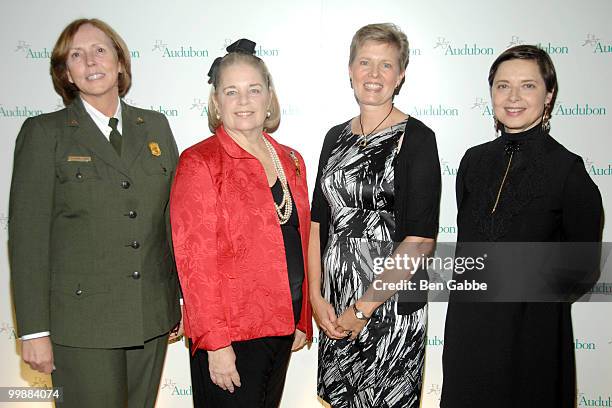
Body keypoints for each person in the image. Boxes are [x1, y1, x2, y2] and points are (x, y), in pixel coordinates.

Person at [8, 18, 182, 407]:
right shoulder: (45, 133)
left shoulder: (155, 126)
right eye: (76, 54)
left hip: (150, 315)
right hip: (81, 324)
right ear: (65, 73)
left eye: (100, 50)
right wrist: (33, 330)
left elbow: (170, 222)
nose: (90, 61)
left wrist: (178, 301)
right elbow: (28, 238)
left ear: (120, 62)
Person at [441, 45, 603, 408]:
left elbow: (583, 267)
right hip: (468, 334)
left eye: (528, 86)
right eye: (502, 86)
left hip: (532, 339)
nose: (513, 97)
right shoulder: (472, 161)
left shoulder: (568, 170)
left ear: (549, 96)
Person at [169, 39, 313, 408]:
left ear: (269, 98)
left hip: (282, 325)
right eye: (231, 91)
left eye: (254, 90)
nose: (244, 101)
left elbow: (300, 238)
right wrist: (215, 343)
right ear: (216, 102)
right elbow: (194, 264)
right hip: (232, 336)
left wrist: (302, 317)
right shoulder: (200, 162)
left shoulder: (291, 159)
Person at [309, 23, 441, 408]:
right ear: (350, 69)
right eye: (365, 62)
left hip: (392, 303)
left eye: (386, 65)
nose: (373, 74)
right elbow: (319, 222)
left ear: (400, 76)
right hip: (336, 300)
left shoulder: (417, 138)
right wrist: (317, 298)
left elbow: (420, 240)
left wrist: (363, 308)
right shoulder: (334, 137)